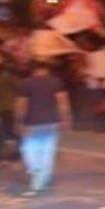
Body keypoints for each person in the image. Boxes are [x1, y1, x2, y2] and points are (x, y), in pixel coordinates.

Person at [15, 60, 72, 195]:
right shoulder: (56, 82)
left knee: (28, 149)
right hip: (51, 121)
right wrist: (66, 118)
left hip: (32, 121)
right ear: (47, 69)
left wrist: (18, 121)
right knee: (47, 150)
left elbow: (21, 105)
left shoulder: (25, 83)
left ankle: (36, 171)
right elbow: (63, 102)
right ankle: (44, 176)